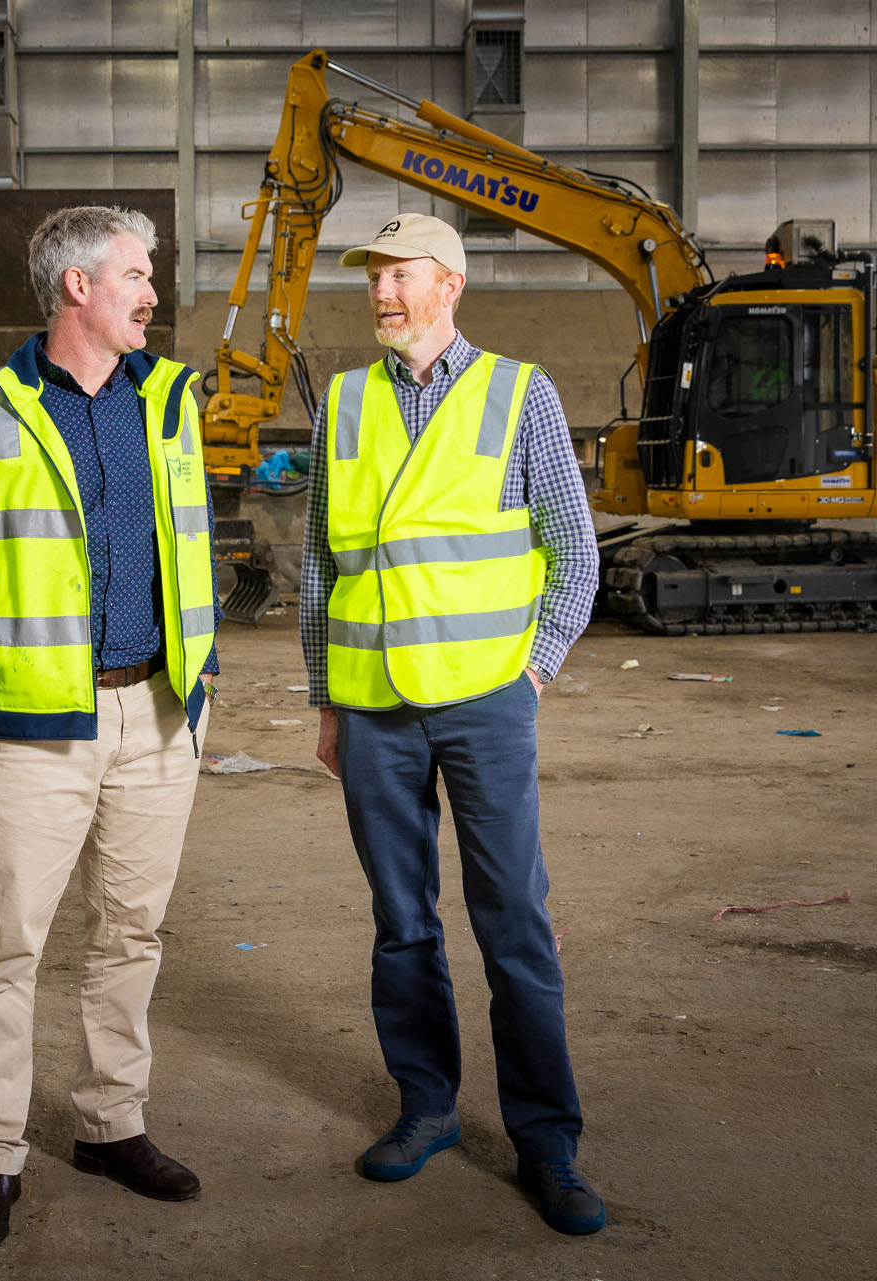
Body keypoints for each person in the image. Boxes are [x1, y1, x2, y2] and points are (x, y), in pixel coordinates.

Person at [0, 205, 220, 1256]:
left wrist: (196, 691)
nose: (153, 294)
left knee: (130, 934)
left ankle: (109, 1124)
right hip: (34, 727)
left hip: (158, 715)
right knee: (10, 946)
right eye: (137, 274)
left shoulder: (168, 402)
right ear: (78, 286)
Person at [301, 212, 605, 1235]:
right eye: (373, 276)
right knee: (403, 923)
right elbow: (320, 566)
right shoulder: (344, 403)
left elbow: (574, 547)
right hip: (373, 707)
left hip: (485, 704)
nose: (381, 292)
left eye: (399, 274)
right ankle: (426, 1106)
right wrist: (325, 695)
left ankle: (547, 1143)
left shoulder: (522, 395)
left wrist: (533, 673)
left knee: (512, 921)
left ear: (452, 284)